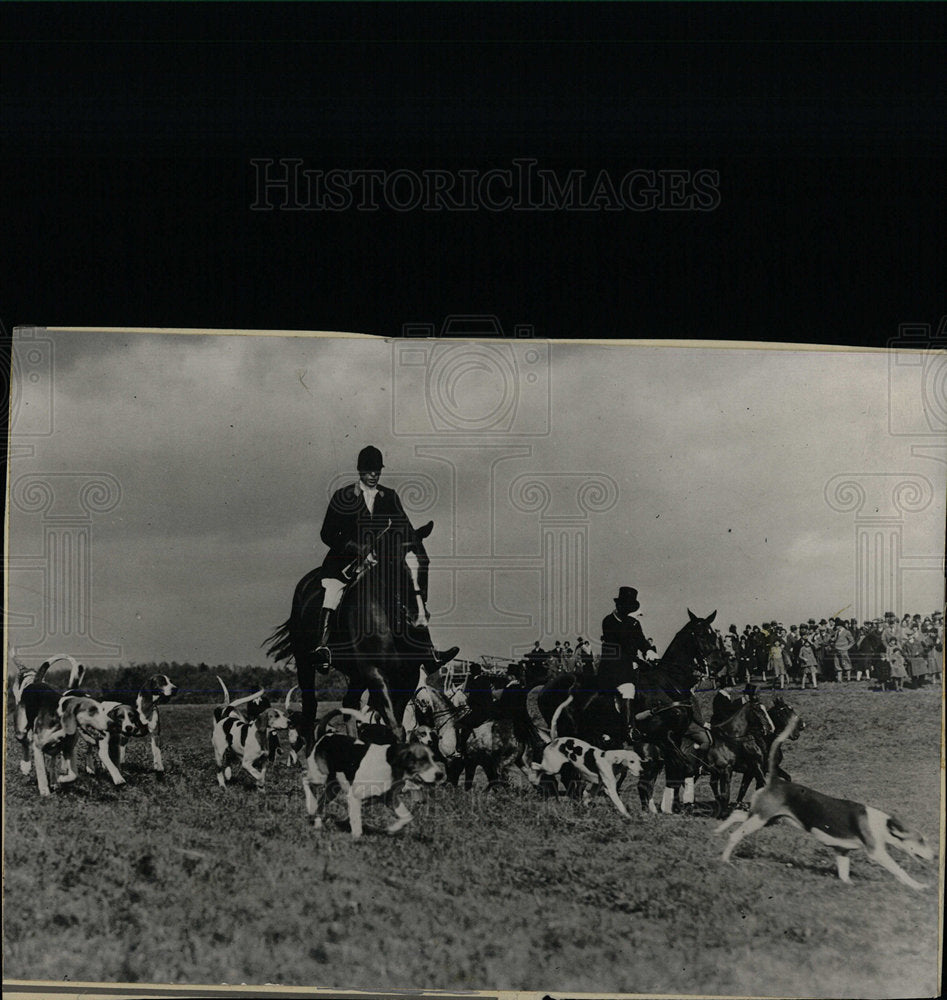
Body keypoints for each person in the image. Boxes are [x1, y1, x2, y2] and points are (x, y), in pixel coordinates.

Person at [314, 445, 458, 670]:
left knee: (411, 594)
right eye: (369, 470)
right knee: (333, 591)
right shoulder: (343, 496)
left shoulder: (389, 496)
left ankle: (429, 652)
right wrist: (356, 547)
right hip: (345, 563)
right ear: (360, 470)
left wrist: (416, 537)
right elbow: (327, 534)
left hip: (382, 563)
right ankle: (323, 647)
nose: (373, 475)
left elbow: (405, 528)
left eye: (377, 471)